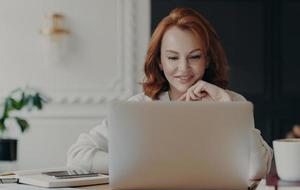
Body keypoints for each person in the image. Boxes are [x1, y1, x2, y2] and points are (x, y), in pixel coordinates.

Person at [67, 8, 273, 180]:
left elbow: (257, 170)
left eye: (194, 57)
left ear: (207, 59)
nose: (183, 68)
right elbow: (77, 156)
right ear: (159, 61)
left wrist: (231, 109)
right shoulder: (140, 106)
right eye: (173, 58)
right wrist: (140, 165)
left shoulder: (234, 102)